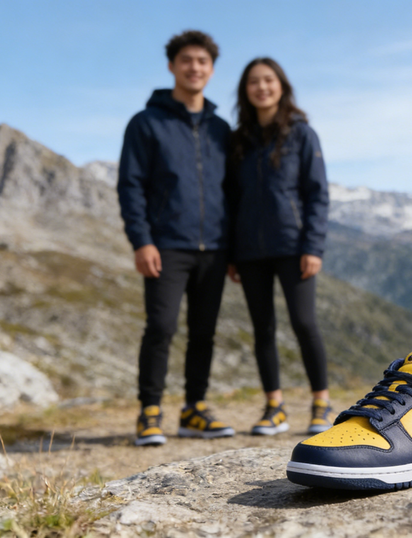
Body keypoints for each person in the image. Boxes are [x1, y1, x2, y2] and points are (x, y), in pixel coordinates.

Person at [118, 30, 235, 446]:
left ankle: (193, 410)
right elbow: (130, 185)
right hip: (165, 244)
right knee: (161, 327)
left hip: (215, 248)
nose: (194, 68)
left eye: (202, 61)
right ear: (172, 66)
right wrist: (141, 240)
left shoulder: (221, 129)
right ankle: (149, 411)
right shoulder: (146, 123)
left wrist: (235, 249)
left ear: (212, 69)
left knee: (204, 332)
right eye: (186, 60)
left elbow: (232, 192)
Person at [227, 57, 332, 436]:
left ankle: (321, 403)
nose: (262, 87)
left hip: (293, 245)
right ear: (245, 91)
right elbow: (231, 198)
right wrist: (231, 253)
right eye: (254, 82)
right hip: (249, 250)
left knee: (304, 323)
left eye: (268, 80)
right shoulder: (238, 140)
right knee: (263, 328)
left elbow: (317, 194)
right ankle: (274, 407)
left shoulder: (302, 134)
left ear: (281, 86)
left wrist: (313, 246)